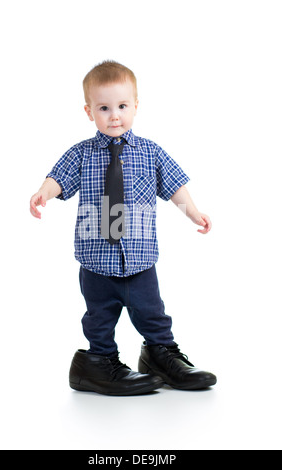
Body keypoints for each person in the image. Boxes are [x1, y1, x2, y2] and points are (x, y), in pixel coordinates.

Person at [30, 60, 217, 396]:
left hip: (139, 257)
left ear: (136, 106)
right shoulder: (81, 154)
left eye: (122, 106)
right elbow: (58, 177)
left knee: (152, 312)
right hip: (96, 257)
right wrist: (45, 192)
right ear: (89, 111)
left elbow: (173, 185)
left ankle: (160, 354)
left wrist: (193, 212)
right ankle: (99, 361)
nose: (114, 115)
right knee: (99, 316)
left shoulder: (150, 152)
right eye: (104, 108)